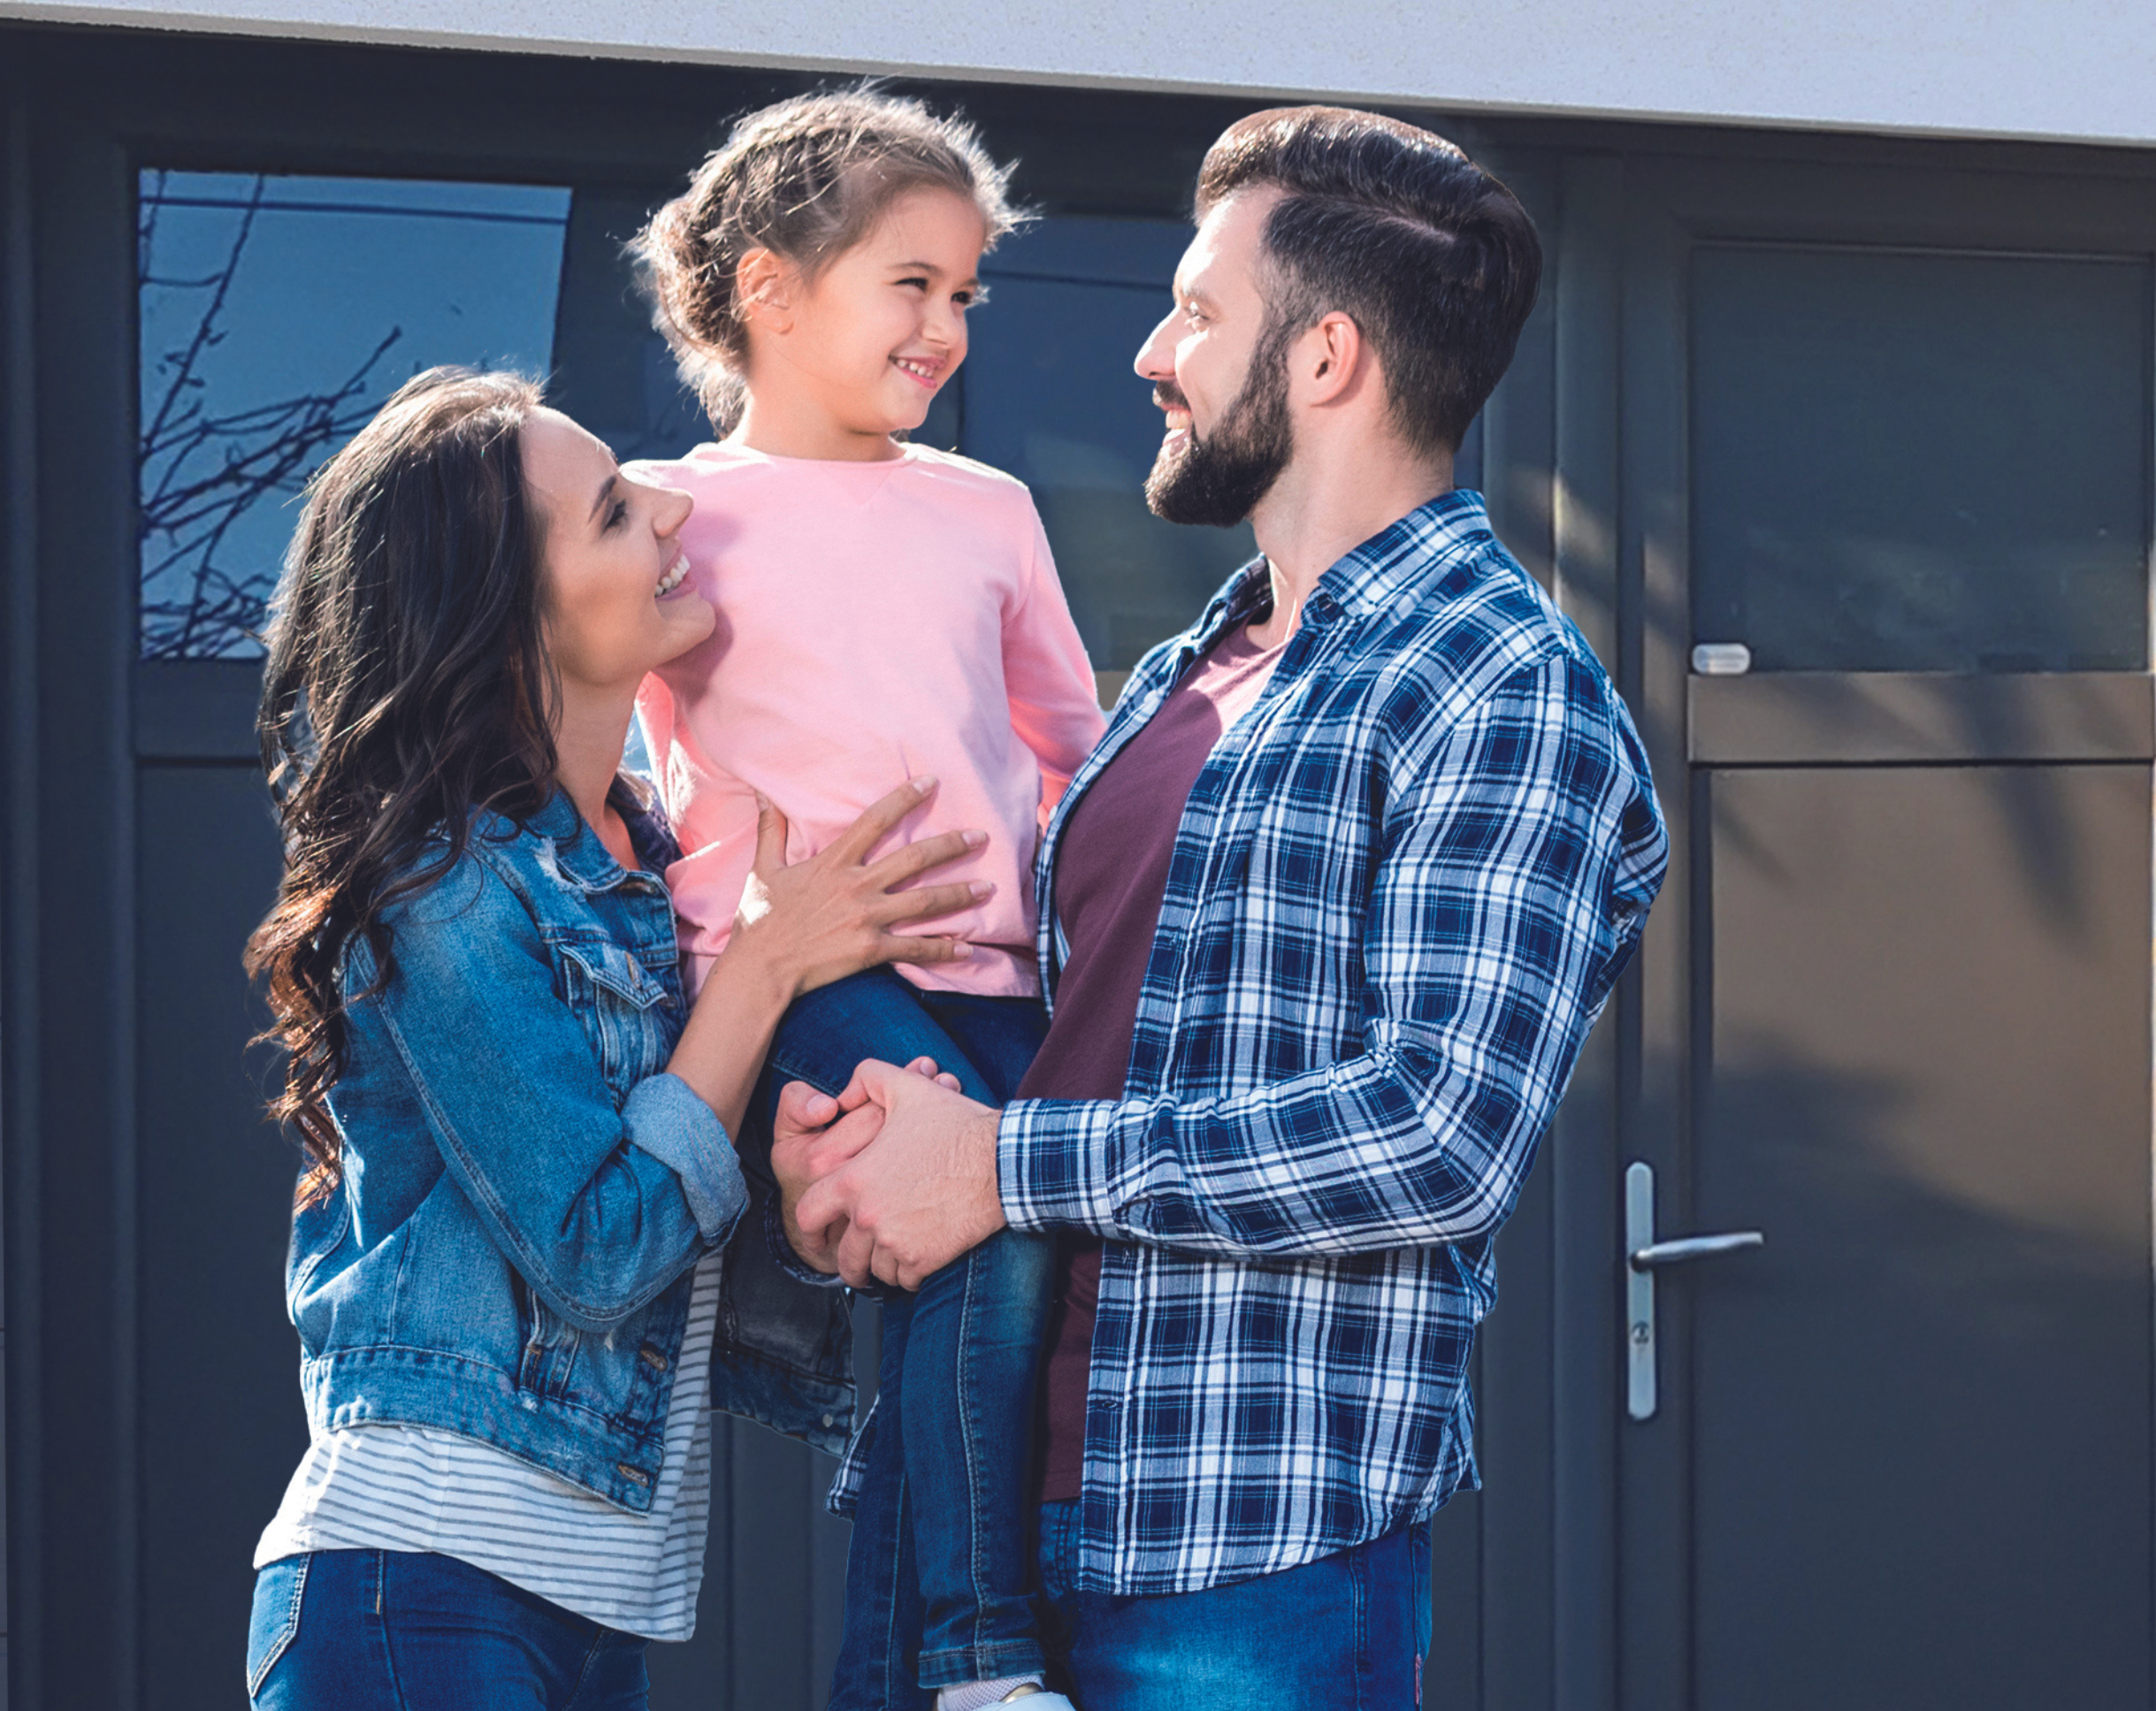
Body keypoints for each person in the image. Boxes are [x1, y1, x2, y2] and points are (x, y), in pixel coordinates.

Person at [777, 106, 1671, 1706]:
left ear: (1325, 359)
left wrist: (997, 1163)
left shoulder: (1499, 688)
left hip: (1232, 1549)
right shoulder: (1188, 671)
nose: (1150, 353)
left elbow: (1435, 1135)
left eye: (1196, 310)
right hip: (961, 1517)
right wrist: (868, 1165)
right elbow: (1052, 1055)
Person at [240, 366, 987, 1710]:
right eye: (611, 512)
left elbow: (667, 1209)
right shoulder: (447, 893)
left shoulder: (654, 870)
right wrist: (766, 967)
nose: (669, 511)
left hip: (590, 1605)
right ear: (508, 614)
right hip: (419, 1590)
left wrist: (805, 1215)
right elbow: (593, 1252)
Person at [625, 92, 1105, 1711]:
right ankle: (982, 1650)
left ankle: (902, 1681)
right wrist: (736, 978)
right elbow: (649, 785)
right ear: (770, 290)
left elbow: (1074, 753)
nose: (947, 324)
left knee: (971, 1303)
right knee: (977, 1218)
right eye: (911, 282)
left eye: (966, 292)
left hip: (1003, 976)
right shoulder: (673, 513)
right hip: (821, 979)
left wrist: (1080, 936)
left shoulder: (991, 513)